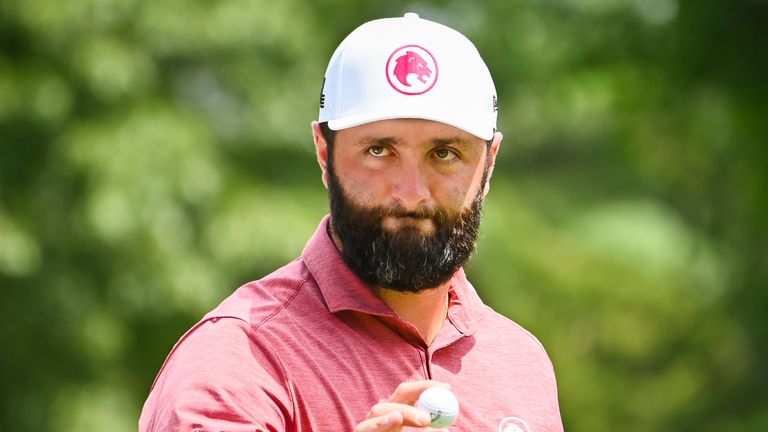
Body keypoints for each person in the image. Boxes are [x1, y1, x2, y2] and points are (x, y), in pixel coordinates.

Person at [140, 12, 563, 432]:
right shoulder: (236, 360)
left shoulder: (521, 363)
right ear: (324, 152)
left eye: (444, 153)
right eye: (379, 150)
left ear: (489, 163)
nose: (411, 191)